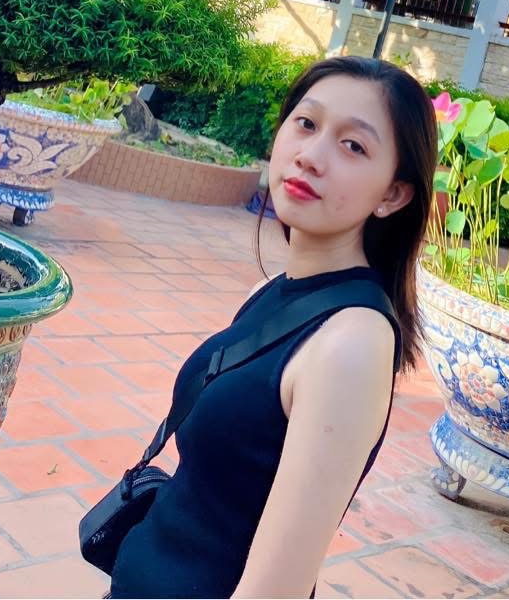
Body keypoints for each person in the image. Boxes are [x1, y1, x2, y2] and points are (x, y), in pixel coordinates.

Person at [110, 56, 436, 599]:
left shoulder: (350, 343)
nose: (311, 156)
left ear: (392, 195)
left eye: (353, 146)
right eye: (306, 124)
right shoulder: (273, 292)